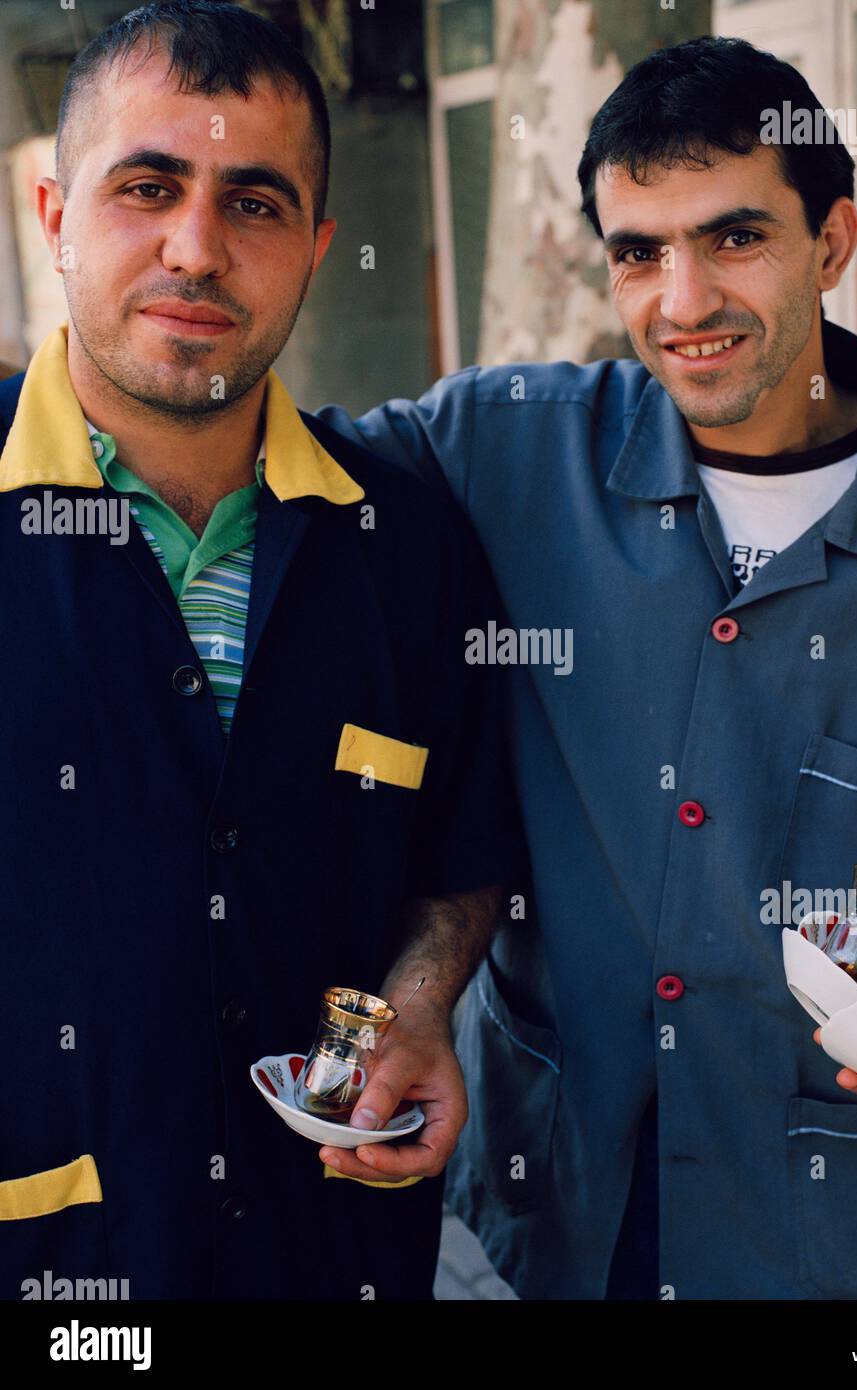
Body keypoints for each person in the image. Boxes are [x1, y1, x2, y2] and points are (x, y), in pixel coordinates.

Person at [317, 37, 857, 1299]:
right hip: (554, 1202)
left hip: (834, 1223)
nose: (681, 299)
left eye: (733, 237)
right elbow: (279, 478)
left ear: (830, 242)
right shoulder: (503, 446)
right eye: (637, 251)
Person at [0, 1, 521, 1300]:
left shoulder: (402, 537)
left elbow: (459, 858)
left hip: (336, 1250)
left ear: (316, 247)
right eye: (147, 186)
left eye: (256, 203)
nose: (197, 246)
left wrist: (417, 1004)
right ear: (54, 215)